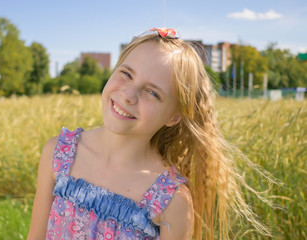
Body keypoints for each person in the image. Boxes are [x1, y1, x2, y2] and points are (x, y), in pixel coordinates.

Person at [27, 27, 268, 240]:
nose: (129, 95)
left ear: (174, 116)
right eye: (126, 74)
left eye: (153, 93)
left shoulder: (170, 200)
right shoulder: (60, 153)